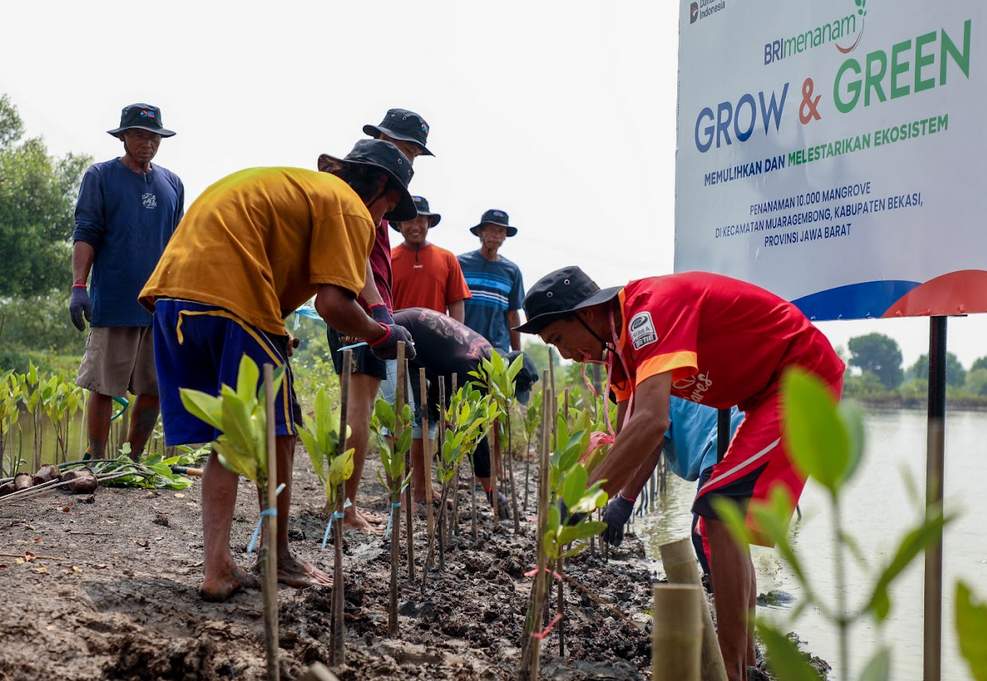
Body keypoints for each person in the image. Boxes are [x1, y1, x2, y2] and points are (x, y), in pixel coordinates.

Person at [516, 266, 844, 681]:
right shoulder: (620, 353)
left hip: (801, 376)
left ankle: (731, 671)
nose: (565, 355)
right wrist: (616, 499)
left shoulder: (646, 312)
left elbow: (652, 422)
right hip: (762, 396)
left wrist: (579, 504)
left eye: (560, 339)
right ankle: (744, 667)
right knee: (716, 524)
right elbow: (632, 437)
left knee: (719, 508)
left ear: (588, 313)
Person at [139, 139, 417, 602]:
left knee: (233, 434)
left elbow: (332, 268)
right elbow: (331, 304)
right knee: (279, 430)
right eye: (389, 207)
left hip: (174, 300)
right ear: (380, 186)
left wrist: (376, 310)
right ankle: (277, 554)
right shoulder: (348, 206)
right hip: (234, 298)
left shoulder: (307, 191)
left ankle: (217, 567)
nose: (384, 220)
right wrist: (380, 335)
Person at [327, 108, 434, 532]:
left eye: (414, 155)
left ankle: (344, 504)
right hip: (353, 308)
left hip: (363, 309)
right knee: (358, 407)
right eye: (405, 149)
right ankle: (344, 508)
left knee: (361, 406)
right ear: (382, 140)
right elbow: (358, 265)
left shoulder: (376, 200)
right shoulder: (362, 193)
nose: (409, 162)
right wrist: (377, 315)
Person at [70, 103, 184, 461]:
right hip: (116, 298)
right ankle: (98, 458)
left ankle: (132, 459)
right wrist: (78, 287)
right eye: (138, 134)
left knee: (154, 387)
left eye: (154, 136)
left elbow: (179, 244)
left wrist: (180, 295)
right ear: (123, 137)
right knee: (103, 384)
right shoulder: (101, 176)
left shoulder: (173, 183)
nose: (147, 142)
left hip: (158, 304)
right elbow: (86, 232)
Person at [393, 307, 538, 515]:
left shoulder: (486, 354)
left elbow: (442, 368)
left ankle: (422, 490)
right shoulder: (475, 370)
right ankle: (403, 500)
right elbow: (475, 436)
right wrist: (490, 489)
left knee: (428, 419)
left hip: (414, 344)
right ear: (506, 378)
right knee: (411, 421)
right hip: (394, 337)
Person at [600, 397, 742, 581]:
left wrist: (625, 501)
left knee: (704, 533)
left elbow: (651, 447)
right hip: (741, 431)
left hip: (726, 439)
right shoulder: (660, 385)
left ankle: (721, 602)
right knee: (728, 537)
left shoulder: (651, 392)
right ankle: (740, 603)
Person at [391, 195, 471, 320]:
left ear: (429, 223)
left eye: (420, 220)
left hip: (435, 337)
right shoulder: (388, 259)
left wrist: (456, 336)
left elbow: (456, 302)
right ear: (399, 225)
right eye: (409, 220)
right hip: (399, 336)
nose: (415, 226)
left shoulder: (447, 258)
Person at [458, 209, 525, 353]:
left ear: (505, 236)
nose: (495, 235)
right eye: (490, 230)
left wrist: (517, 352)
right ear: (481, 233)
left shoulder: (512, 271)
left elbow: (513, 314)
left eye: (500, 231)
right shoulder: (460, 264)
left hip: (498, 347)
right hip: (465, 344)